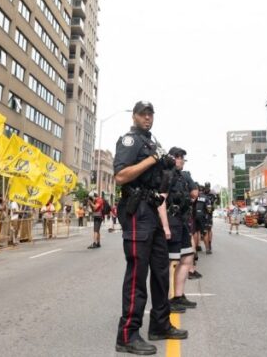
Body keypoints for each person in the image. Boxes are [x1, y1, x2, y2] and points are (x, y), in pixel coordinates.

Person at [113, 101, 187, 354]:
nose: (147, 118)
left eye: (150, 114)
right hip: (137, 211)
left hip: (152, 210)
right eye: (143, 114)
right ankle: (127, 335)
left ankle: (159, 324)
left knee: (160, 271)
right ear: (134, 116)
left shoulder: (150, 141)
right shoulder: (129, 141)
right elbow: (121, 176)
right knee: (137, 274)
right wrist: (152, 160)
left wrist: (163, 162)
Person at [160, 147, 197, 313]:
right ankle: (166, 300)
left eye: (183, 157)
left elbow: (192, 196)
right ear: (171, 158)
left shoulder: (182, 177)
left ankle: (178, 296)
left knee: (187, 258)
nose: (181, 160)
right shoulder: (166, 174)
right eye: (178, 157)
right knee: (170, 263)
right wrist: (165, 226)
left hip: (181, 222)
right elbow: (160, 201)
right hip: (171, 222)